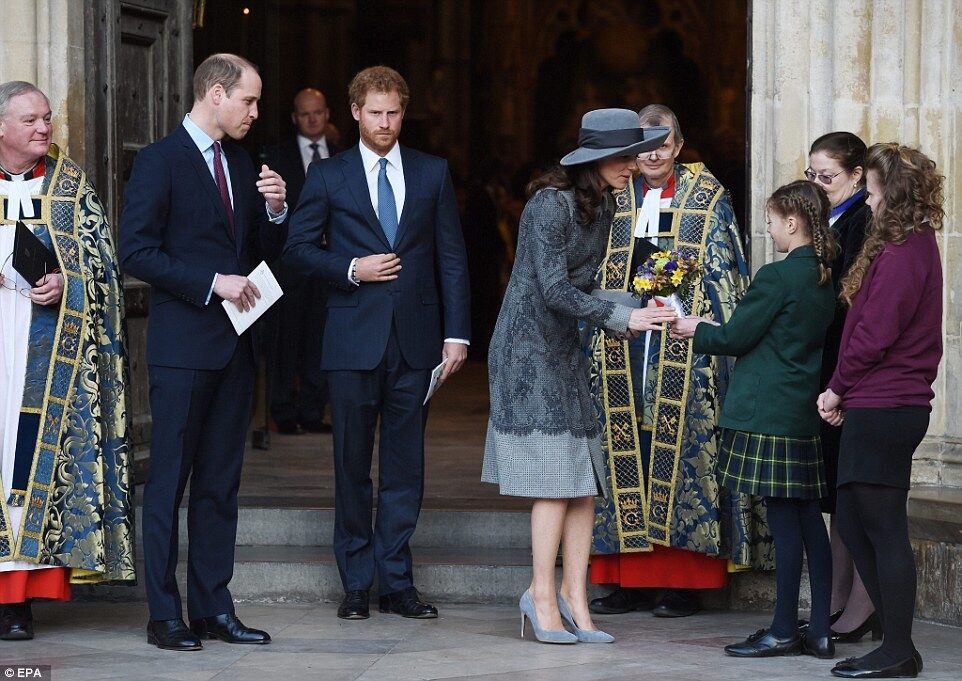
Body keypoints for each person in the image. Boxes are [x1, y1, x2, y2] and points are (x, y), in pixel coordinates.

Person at [284, 66, 471, 621]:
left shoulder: (432, 172)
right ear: (356, 113)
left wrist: (456, 335)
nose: (384, 123)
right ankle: (355, 583)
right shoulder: (328, 175)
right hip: (350, 341)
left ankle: (397, 583)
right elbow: (296, 250)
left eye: (393, 113)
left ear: (403, 113)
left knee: (405, 467)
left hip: (416, 344)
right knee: (349, 465)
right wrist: (351, 267)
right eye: (374, 113)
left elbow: (451, 257)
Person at [482, 108, 674, 644]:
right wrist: (620, 316)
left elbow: (583, 292)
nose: (635, 165)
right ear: (595, 158)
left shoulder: (607, 203)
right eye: (625, 156)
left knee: (585, 483)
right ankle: (540, 596)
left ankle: (574, 596)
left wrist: (643, 308)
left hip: (566, 348)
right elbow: (550, 289)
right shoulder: (549, 203)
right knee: (554, 481)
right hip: (526, 353)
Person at [119, 53, 289, 651]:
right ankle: (165, 614)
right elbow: (134, 252)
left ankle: (215, 608)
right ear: (215, 93)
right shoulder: (159, 161)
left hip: (236, 348)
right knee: (167, 483)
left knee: (221, 485)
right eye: (248, 100)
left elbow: (261, 250)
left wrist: (275, 210)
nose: (256, 112)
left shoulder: (244, 162)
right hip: (183, 348)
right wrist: (210, 282)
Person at [589, 104, 767, 620]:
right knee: (625, 451)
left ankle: (679, 583)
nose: (653, 154)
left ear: (679, 146)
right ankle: (625, 580)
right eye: (644, 144)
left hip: (682, 348)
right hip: (621, 345)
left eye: (663, 144)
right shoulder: (613, 195)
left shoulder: (707, 199)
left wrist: (692, 307)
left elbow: (725, 272)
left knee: (679, 450)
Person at [673, 179, 838, 659]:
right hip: (799, 408)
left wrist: (694, 329)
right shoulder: (823, 273)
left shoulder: (778, 276)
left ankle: (785, 628)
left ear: (792, 222)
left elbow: (735, 337)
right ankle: (821, 628)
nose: (768, 230)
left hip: (767, 413)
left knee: (786, 526)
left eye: (770, 221)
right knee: (809, 522)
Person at [0, 80, 133, 641]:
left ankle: (13, 601)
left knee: (24, 462)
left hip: (44, 350)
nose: (44, 128)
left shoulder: (70, 185)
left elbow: (104, 269)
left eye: (48, 117)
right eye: (30, 119)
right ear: (1, 127)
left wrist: (66, 282)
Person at [818, 143, 943, 679]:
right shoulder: (902, 246)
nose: (866, 202)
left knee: (883, 526)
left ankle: (898, 648)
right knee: (852, 514)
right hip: (878, 401)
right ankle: (895, 641)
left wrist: (836, 388)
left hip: (888, 402)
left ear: (893, 194)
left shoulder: (905, 251)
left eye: (870, 191)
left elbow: (874, 336)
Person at [804, 132, 878, 643]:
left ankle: (857, 602)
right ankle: (835, 594)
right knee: (833, 487)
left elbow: (848, 295)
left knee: (850, 490)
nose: (816, 184)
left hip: (843, 365)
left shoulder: (861, 221)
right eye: (811, 175)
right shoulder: (826, 216)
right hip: (824, 363)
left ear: (857, 176)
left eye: (826, 177)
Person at [262, 88, 340, 434]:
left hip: (328, 264)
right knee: (286, 340)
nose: (312, 119)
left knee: (320, 339)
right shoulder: (276, 157)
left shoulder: (343, 157)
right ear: (294, 118)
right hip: (289, 266)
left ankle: (312, 411)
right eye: (305, 113)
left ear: (327, 115)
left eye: (318, 112)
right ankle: (282, 411)